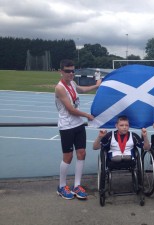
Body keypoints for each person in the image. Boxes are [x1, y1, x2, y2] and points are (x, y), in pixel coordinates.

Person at [55, 59, 101, 200]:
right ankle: (62, 186)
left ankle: (77, 185)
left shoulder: (73, 84)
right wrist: (87, 115)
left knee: (82, 153)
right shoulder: (60, 88)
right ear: (61, 71)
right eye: (68, 71)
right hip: (67, 126)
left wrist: (96, 85)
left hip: (78, 125)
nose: (71, 73)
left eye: (73, 71)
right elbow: (70, 110)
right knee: (68, 157)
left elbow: (82, 89)